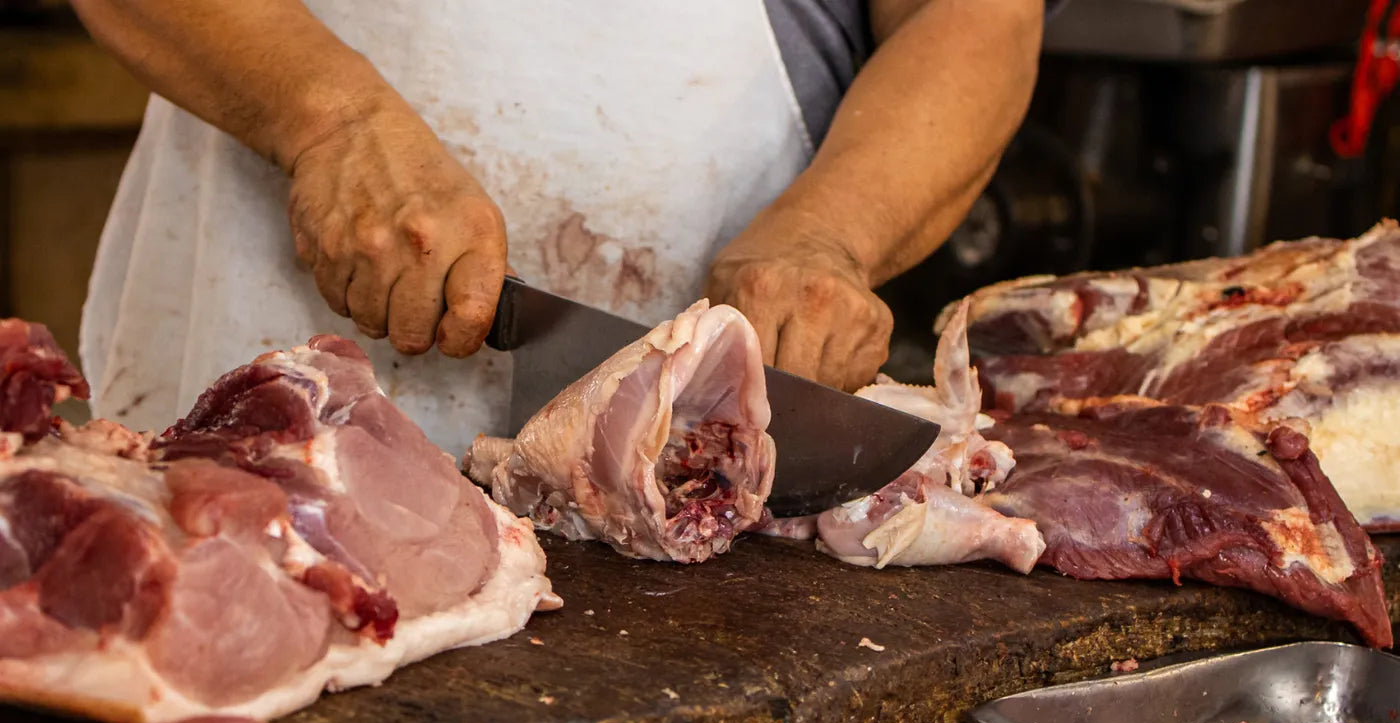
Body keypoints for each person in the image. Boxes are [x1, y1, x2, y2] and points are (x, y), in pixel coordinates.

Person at [72, 0, 1044, 458]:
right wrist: (329, 121)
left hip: (676, 475)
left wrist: (828, 234)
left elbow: (966, 20)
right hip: (243, 423)